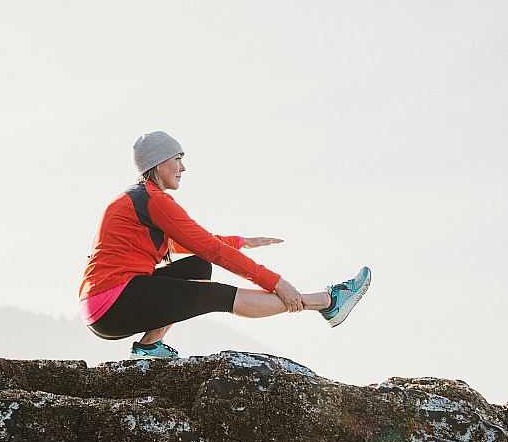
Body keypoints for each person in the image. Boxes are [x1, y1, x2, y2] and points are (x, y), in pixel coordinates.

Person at [79, 131, 371, 359]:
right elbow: (211, 248)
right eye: (177, 158)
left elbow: (192, 246)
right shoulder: (154, 201)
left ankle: (148, 349)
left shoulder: (138, 199)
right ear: (158, 162)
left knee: (198, 267)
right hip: (113, 302)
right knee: (215, 295)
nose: (183, 167)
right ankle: (327, 301)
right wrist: (277, 282)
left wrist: (243, 242)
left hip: (106, 303)